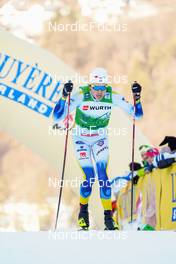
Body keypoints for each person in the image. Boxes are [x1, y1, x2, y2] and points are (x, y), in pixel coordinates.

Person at [53, 67, 143, 230]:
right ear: (90, 86)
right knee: (90, 177)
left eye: (102, 88)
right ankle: (83, 214)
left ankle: (108, 218)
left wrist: (137, 98)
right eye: (96, 88)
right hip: (80, 138)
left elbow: (137, 115)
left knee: (103, 176)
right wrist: (64, 96)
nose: (100, 92)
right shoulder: (81, 96)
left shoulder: (111, 97)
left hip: (100, 139)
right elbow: (57, 116)